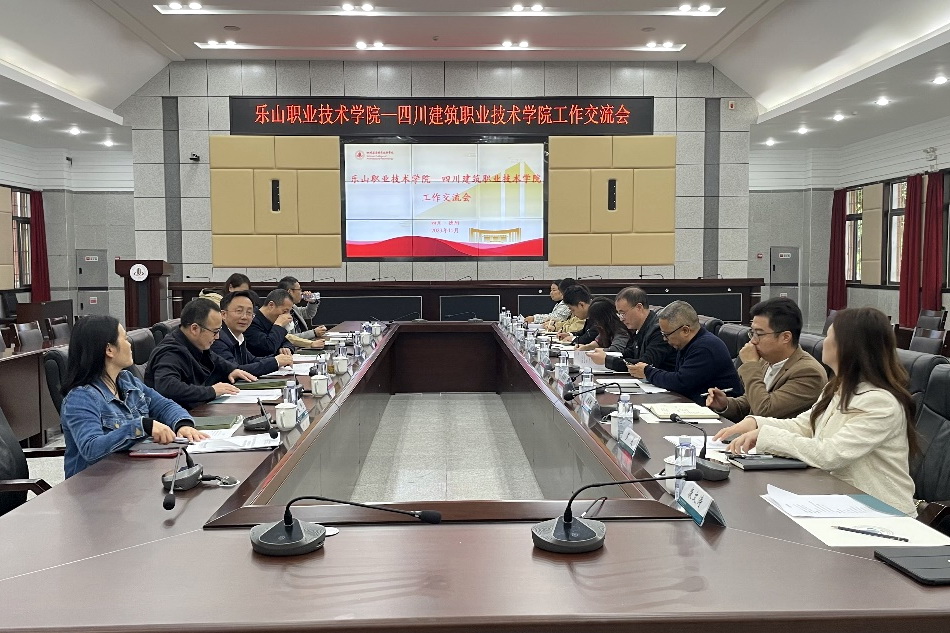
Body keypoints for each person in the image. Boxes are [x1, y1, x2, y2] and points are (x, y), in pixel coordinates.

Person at [714, 307, 917, 515]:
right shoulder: (836, 388)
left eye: (829, 337)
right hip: (841, 500)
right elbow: (805, 425)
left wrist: (765, 436)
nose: (823, 342)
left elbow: (831, 453)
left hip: (882, 512)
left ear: (849, 346)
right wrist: (757, 423)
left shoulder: (879, 402)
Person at [59, 315, 208, 478]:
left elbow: (164, 405)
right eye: (125, 339)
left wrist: (182, 424)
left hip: (130, 474)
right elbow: (91, 449)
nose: (129, 344)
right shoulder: (81, 398)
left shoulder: (127, 380)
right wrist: (141, 426)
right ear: (109, 349)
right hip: (94, 486)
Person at [706, 297, 827, 421]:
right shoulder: (766, 360)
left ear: (785, 337)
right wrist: (725, 404)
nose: (753, 340)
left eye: (759, 334)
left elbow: (764, 411)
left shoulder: (808, 373)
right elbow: (751, 402)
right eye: (752, 333)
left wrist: (750, 365)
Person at [145, 298, 256, 409]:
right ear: (194, 329)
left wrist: (232, 370)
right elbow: (167, 387)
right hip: (179, 415)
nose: (217, 337)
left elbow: (214, 359)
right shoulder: (170, 353)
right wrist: (211, 391)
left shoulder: (194, 344)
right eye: (215, 332)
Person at [628, 300, 743, 403]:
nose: (664, 339)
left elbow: (680, 382)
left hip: (718, 412)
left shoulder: (705, 347)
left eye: (666, 334)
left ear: (685, 330)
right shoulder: (687, 344)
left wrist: (648, 372)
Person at [587, 286, 676, 373]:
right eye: (619, 314)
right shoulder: (641, 328)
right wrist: (606, 353)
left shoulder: (658, 330)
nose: (621, 319)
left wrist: (607, 360)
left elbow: (644, 364)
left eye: (623, 313)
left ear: (639, 307)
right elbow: (630, 353)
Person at [212, 291, 294, 377]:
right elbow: (236, 370)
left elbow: (251, 360)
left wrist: (280, 359)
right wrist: (275, 362)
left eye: (249, 312)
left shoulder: (238, 336)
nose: (244, 317)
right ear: (223, 314)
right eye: (239, 311)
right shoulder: (217, 338)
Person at [246, 288, 324, 356]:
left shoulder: (272, 320)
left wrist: (286, 348)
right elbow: (268, 347)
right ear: (271, 305)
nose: (287, 316)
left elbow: (287, 341)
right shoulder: (251, 321)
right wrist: (278, 325)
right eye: (285, 311)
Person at [277, 276, 328, 347]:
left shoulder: (293, 307)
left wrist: (312, 302)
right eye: (299, 289)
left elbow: (308, 313)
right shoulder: (280, 312)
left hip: (303, 345)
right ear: (290, 292)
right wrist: (313, 333)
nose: (301, 292)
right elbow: (289, 338)